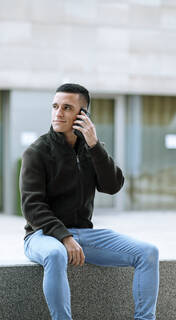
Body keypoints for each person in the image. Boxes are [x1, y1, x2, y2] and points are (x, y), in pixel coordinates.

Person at [20, 83, 159, 320]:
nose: (58, 113)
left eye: (66, 107)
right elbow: (32, 206)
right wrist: (64, 236)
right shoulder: (37, 152)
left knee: (148, 253)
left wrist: (94, 146)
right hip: (42, 235)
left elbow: (113, 186)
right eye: (55, 106)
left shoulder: (92, 150)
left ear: (82, 115)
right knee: (56, 255)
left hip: (83, 235)